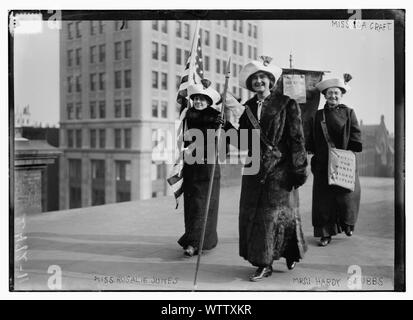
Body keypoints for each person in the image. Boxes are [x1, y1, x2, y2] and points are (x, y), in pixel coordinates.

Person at [224, 56, 308, 281]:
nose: (259, 81)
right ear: (250, 83)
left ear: (271, 81)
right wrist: (225, 127)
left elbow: (296, 138)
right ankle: (265, 259)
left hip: (280, 169)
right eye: (255, 78)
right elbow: (243, 141)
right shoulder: (248, 107)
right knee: (257, 216)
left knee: (276, 216)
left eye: (263, 77)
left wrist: (299, 168)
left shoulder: (286, 103)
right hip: (254, 170)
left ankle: (274, 258)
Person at [308, 74, 362, 247]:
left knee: (347, 196)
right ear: (324, 95)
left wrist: (351, 150)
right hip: (323, 162)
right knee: (323, 200)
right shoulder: (318, 115)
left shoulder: (348, 112)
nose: (333, 96)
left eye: (336, 93)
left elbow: (355, 133)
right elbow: (311, 137)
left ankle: (348, 223)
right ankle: (325, 233)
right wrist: (310, 150)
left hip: (344, 160)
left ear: (341, 95)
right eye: (330, 93)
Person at [177, 79, 223, 257]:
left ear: (209, 101)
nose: (198, 102)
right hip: (191, 166)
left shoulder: (216, 116)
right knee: (191, 205)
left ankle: (196, 243)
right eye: (195, 98)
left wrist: (222, 125)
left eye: (202, 99)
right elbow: (182, 138)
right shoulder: (188, 115)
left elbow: (225, 140)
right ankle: (192, 238)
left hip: (207, 166)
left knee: (203, 205)